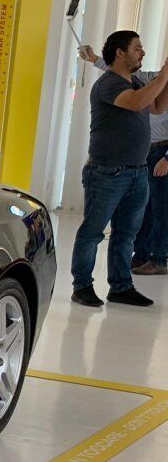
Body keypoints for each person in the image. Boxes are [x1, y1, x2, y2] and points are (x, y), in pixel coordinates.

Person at [69, 30, 168, 308]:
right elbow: (136, 103)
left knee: (127, 234)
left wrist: (166, 78)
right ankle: (82, 286)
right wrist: (162, 76)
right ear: (120, 52)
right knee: (93, 231)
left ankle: (121, 286)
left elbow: (158, 107)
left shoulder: (135, 81)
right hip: (106, 172)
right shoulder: (109, 84)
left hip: (137, 172)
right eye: (137, 48)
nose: (143, 53)